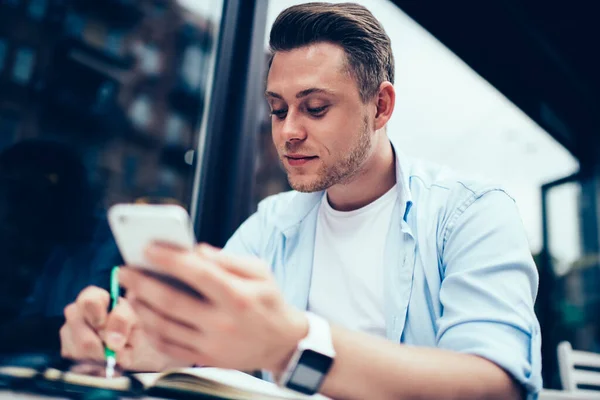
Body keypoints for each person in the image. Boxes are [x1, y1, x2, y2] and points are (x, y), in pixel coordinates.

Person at [58, 3, 542, 399]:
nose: (288, 131)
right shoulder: (274, 221)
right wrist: (134, 344)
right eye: (277, 109)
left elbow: (495, 386)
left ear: (381, 106)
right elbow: (200, 338)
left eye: (315, 107)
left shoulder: (472, 213)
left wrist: (294, 346)